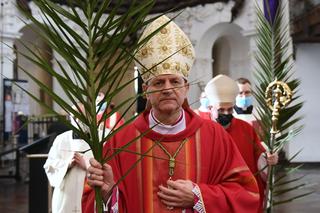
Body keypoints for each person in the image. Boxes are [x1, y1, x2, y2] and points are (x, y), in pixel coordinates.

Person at [82, 15, 260, 213]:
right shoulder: (120, 141)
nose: (167, 89)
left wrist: (198, 196)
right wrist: (108, 195)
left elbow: (246, 194)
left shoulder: (214, 136)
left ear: (186, 87)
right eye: (158, 83)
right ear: (145, 90)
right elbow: (92, 197)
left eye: (174, 82)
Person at [204, 74, 278, 212]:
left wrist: (268, 159)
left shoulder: (245, 129)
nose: (226, 113)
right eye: (221, 110)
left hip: (243, 194)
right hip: (213, 195)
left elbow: (259, 156)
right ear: (210, 108)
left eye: (230, 109)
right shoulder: (202, 130)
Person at [44, 104, 93, 213]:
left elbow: (107, 166)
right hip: (65, 197)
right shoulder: (61, 139)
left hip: (89, 196)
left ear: (88, 117)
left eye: (81, 115)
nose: (77, 119)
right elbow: (49, 165)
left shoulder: (96, 140)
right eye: (74, 115)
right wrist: (67, 164)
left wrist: (86, 166)